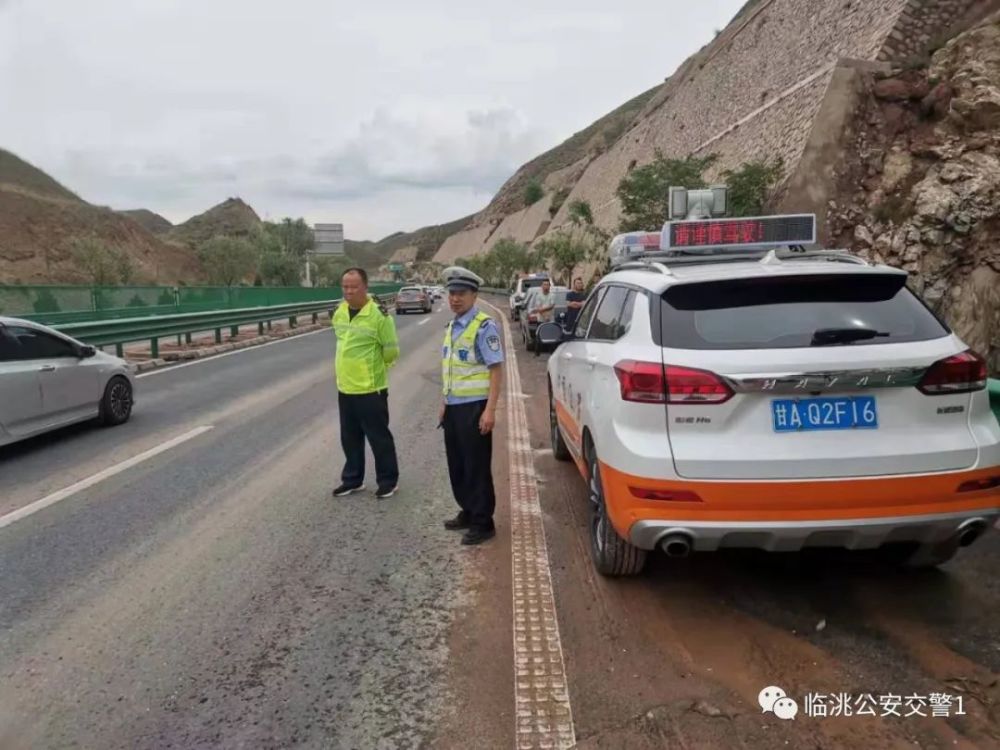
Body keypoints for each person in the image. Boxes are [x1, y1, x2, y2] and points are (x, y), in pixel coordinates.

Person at [439, 266, 504, 545]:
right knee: (458, 464)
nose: (455, 298)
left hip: (475, 407)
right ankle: (467, 509)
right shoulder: (453, 326)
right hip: (454, 407)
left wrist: (490, 410)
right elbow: (451, 369)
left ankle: (483, 522)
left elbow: (495, 370)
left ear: (474, 295)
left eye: (461, 293)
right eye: (452, 293)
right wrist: (444, 402)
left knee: (476, 466)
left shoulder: (483, 325)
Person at [331, 267, 401, 499]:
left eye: (354, 287)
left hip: (371, 389)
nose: (349, 291)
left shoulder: (379, 316)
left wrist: (371, 371)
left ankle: (388, 481)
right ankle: (352, 479)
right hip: (345, 388)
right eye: (345, 287)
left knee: (379, 438)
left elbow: (391, 351)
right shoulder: (339, 312)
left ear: (365, 287)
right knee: (349, 438)